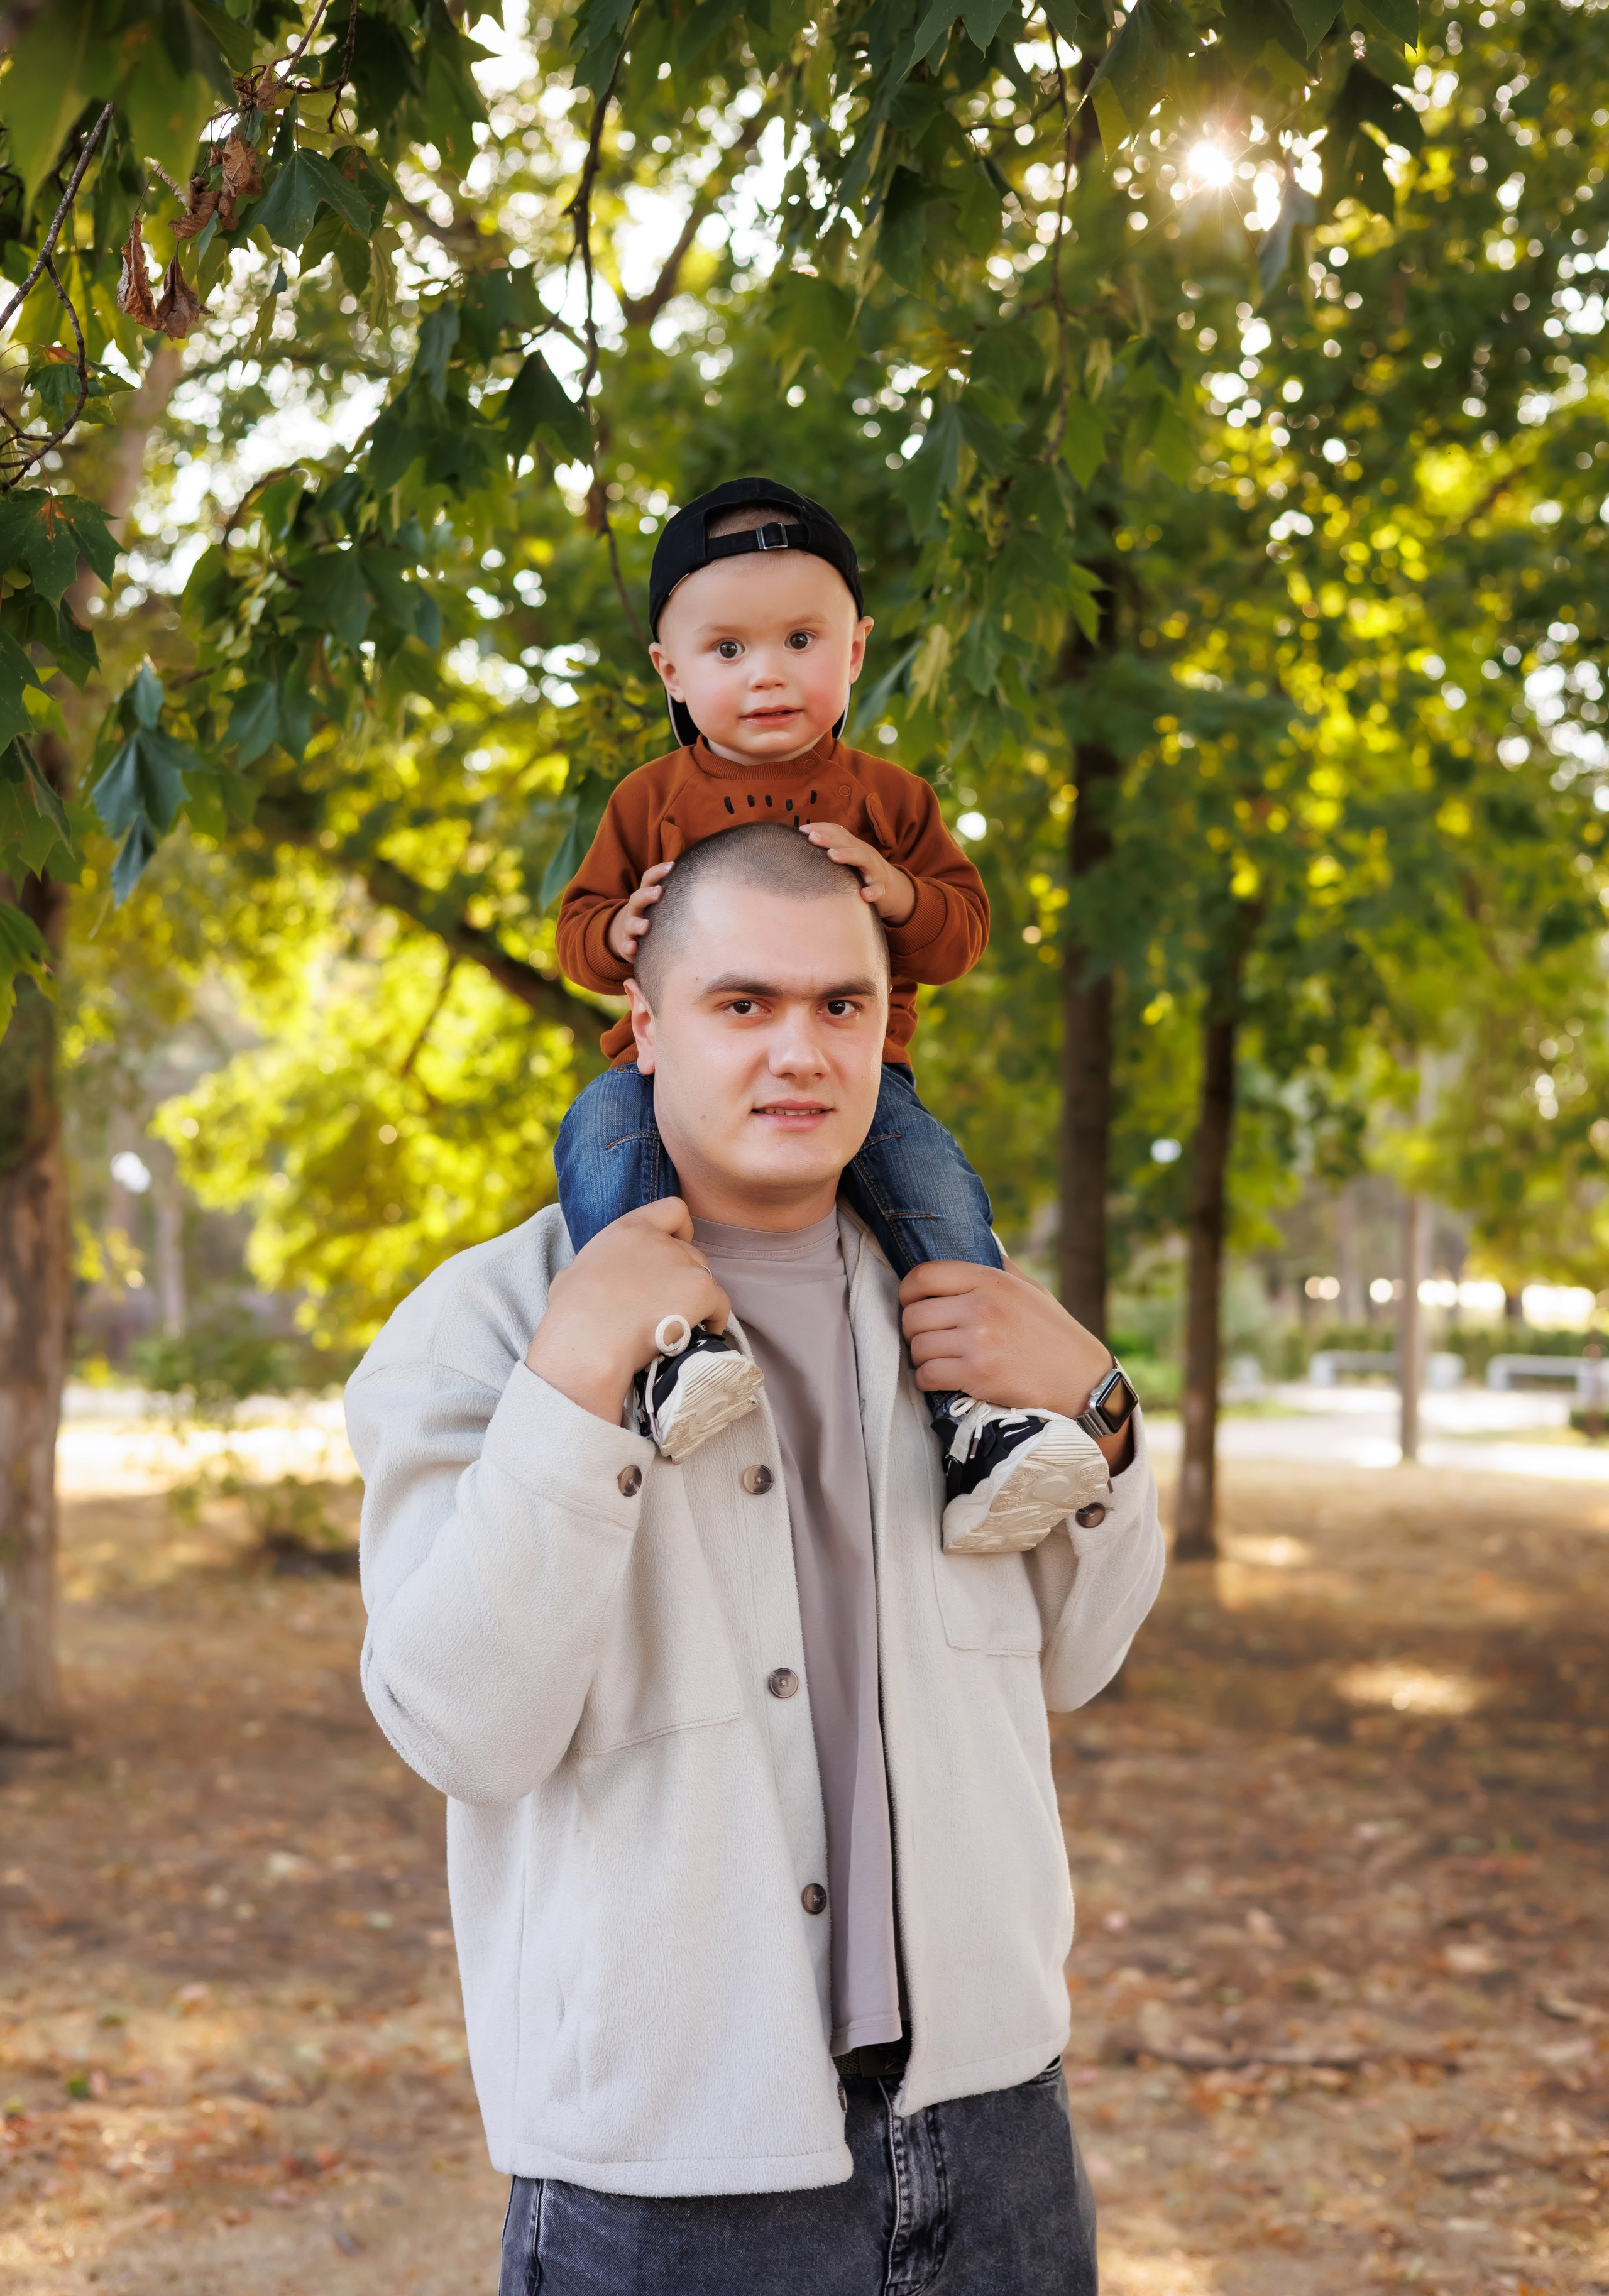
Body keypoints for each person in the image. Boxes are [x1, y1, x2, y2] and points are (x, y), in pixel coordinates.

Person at [348, 823, 1166, 2293]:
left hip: (995, 2139)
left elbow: (1078, 1657)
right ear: (645, 1029)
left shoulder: (966, 1317)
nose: (799, 1051)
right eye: (743, 1006)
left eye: (839, 1006)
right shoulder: (483, 1324)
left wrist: (1096, 1413)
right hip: (671, 2178)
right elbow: (460, 1727)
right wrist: (573, 1385)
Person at [553, 474, 1124, 1554]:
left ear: (855, 651)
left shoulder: (892, 801)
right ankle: (669, 1348)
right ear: (670, 671)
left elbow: (959, 933)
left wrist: (898, 893)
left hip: (870, 1088)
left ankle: (977, 1420)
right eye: (727, 652)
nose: (767, 674)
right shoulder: (647, 799)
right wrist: (620, 930)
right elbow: (577, 932)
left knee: (934, 1185)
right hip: (652, 1076)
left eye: (800, 640)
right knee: (600, 1140)